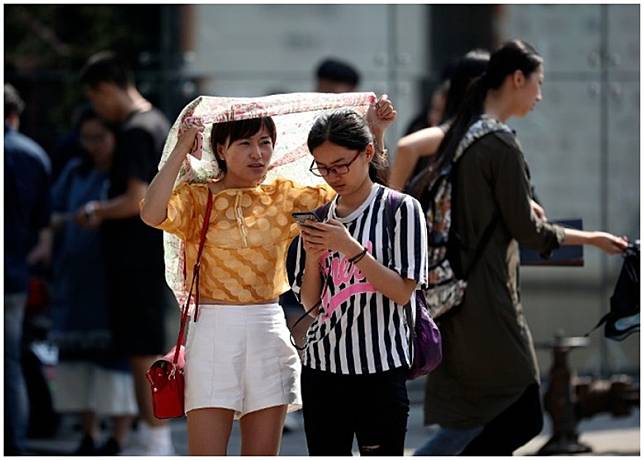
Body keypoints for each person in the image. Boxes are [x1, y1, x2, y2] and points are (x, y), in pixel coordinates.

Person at [140, 95, 395, 455]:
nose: (258, 153)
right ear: (221, 149)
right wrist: (181, 148)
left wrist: (376, 133)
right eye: (245, 143)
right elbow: (151, 213)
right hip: (212, 330)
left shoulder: (283, 195)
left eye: (265, 143)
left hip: (268, 327)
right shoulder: (197, 198)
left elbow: (361, 190)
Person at [416, 39, 629, 456]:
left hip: (454, 299)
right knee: (523, 412)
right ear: (517, 79)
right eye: (538, 83)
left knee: (479, 418)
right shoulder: (499, 144)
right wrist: (592, 239)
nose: (540, 95)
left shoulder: (465, 136)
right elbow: (529, 231)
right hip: (488, 301)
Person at [292, 107, 428, 456]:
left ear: (368, 153)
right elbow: (311, 304)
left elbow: (401, 292)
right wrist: (312, 256)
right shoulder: (320, 216)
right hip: (322, 369)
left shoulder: (401, 210)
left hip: (380, 370)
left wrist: (350, 249)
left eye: (340, 164)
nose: (332, 175)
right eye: (322, 167)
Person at [78, 51, 176, 455]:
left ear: (106, 89)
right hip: (153, 256)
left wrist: (96, 211)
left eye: (96, 100)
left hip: (140, 259)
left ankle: (156, 440)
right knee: (147, 351)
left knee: (144, 355)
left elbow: (137, 200)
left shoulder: (138, 130)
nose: (98, 109)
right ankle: (155, 437)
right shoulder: (158, 122)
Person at [48, 108, 137, 455]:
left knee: (115, 359)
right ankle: (86, 433)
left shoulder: (125, 178)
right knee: (77, 359)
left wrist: (101, 212)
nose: (94, 145)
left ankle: (118, 436)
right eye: (87, 138)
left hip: (113, 281)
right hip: (75, 277)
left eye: (100, 137)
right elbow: (54, 212)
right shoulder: (74, 171)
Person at [4, 83, 52, 455]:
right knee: (11, 364)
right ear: (15, 116)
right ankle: (14, 444)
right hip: (15, 273)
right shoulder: (34, 156)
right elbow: (43, 225)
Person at [389, 49, 490, 191]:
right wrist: (391, 207)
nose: (434, 118)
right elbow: (406, 147)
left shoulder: (484, 129)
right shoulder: (456, 130)